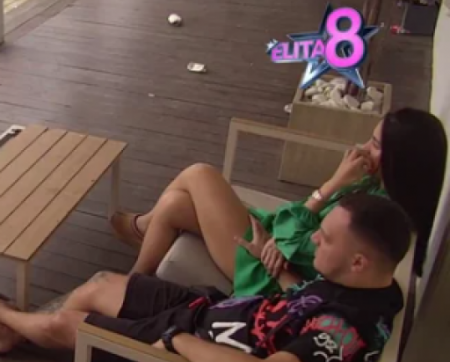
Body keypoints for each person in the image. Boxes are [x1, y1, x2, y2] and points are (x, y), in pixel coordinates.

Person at [0, 194, 409, 362]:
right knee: (100, 284)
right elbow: (303, 310)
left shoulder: (344, 333)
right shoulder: (366, 285)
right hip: (214, 315)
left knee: (70, 323)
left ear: (358, 261)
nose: (313, 239)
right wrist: (277, 271)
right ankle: (21, 330)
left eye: (324, 239)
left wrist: (177, 341)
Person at [110, 107, 446, 296]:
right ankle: (134, 278)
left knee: (200, 174)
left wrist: (333, 183)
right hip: (274, 242)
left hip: (269, 273)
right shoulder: (373, 186)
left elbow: (293, 242)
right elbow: (294, 220)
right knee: (174, 205)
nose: (363, 148)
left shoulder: (375, 219)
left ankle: (141, 232)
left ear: (401, 160)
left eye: (375, 145)